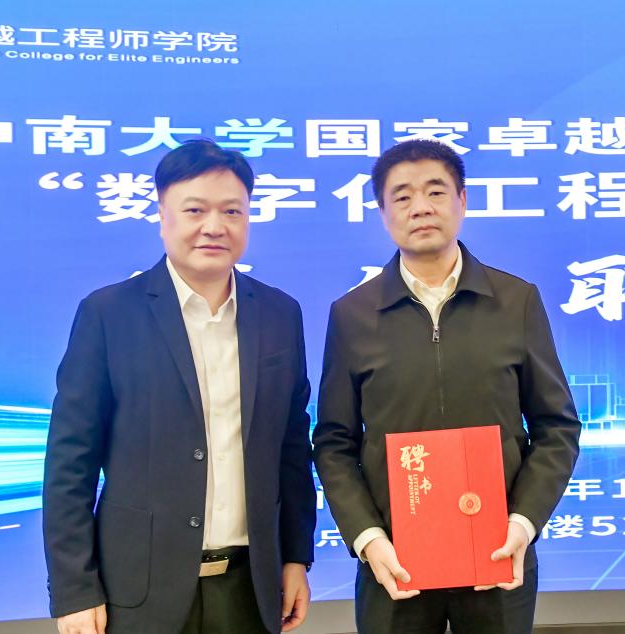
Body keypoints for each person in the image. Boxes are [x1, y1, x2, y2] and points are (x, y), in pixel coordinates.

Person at [42, 139, 316, 634]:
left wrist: (296, 557)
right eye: (195, 210)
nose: (214, 226)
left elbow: (292, 449)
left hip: (252, 587)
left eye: (232, 211)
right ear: (162, 216)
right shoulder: (109, 314)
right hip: (138, 592)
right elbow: (70, 461)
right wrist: (75, 589)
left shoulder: (280, 314)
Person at [313, 139, 582, 633]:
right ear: (383, 212)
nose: (420, 207)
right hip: (394, 564)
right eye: (402, 196)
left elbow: (556, 427)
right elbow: (333, 442)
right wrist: (368, 537)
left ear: (462, 201)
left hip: (499, 556)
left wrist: (522, 523)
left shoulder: (515, 301)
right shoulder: (352, 315)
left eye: (436, 191)